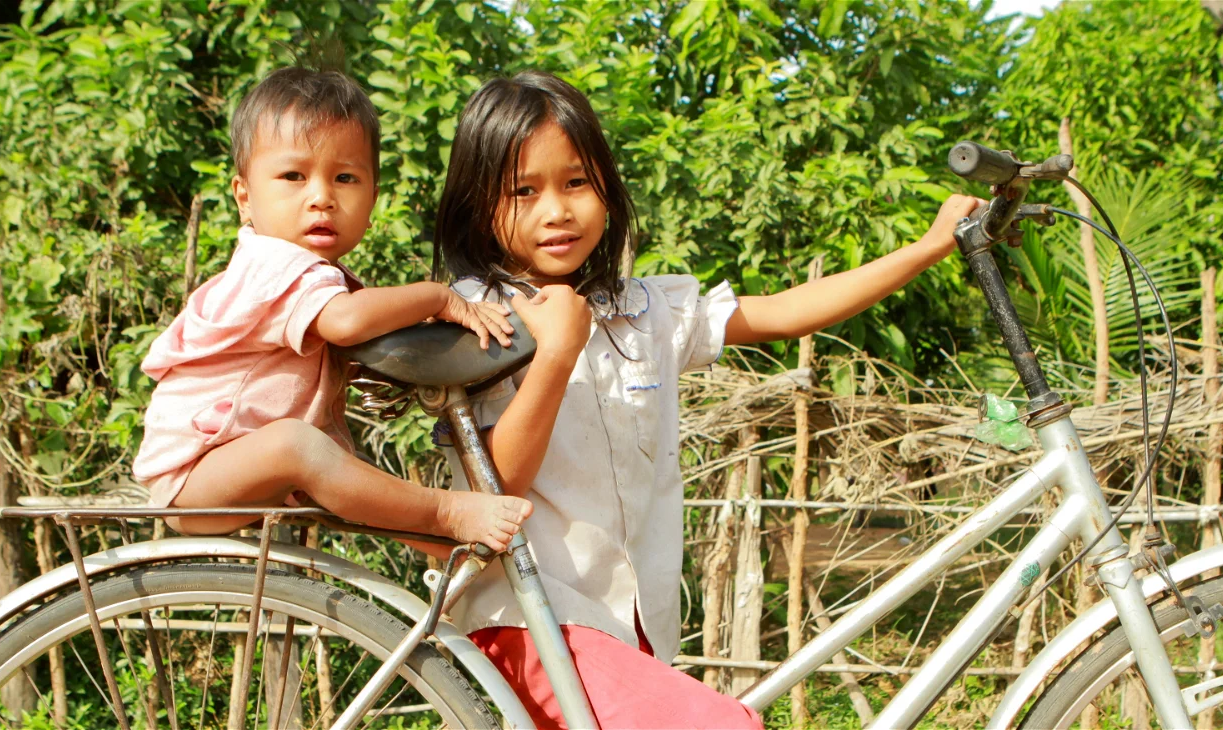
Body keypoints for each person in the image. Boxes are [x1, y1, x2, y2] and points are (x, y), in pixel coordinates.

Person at [431, 70, 982, 729]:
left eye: (575, 182)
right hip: (523, 622)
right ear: (479, 204)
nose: (556, 210)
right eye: (524, 191)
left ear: (606, 187)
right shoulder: (481, 321)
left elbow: (783, 312)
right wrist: (555, 353)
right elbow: (493, 493)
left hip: (631, 635)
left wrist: (926, 249)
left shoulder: (644, 309)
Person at [132, 66, 532, 550]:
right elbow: (346, 322)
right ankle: (443, 512)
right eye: (293, 176)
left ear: (372, 199)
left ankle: (437, 548)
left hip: (237, 469)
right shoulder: (272, 264)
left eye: (344, 178)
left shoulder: (317, 275)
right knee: (297, 445)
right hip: (196, 474)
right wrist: (439, 297)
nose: (321, 198)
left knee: (334, 463)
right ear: (245, 197)